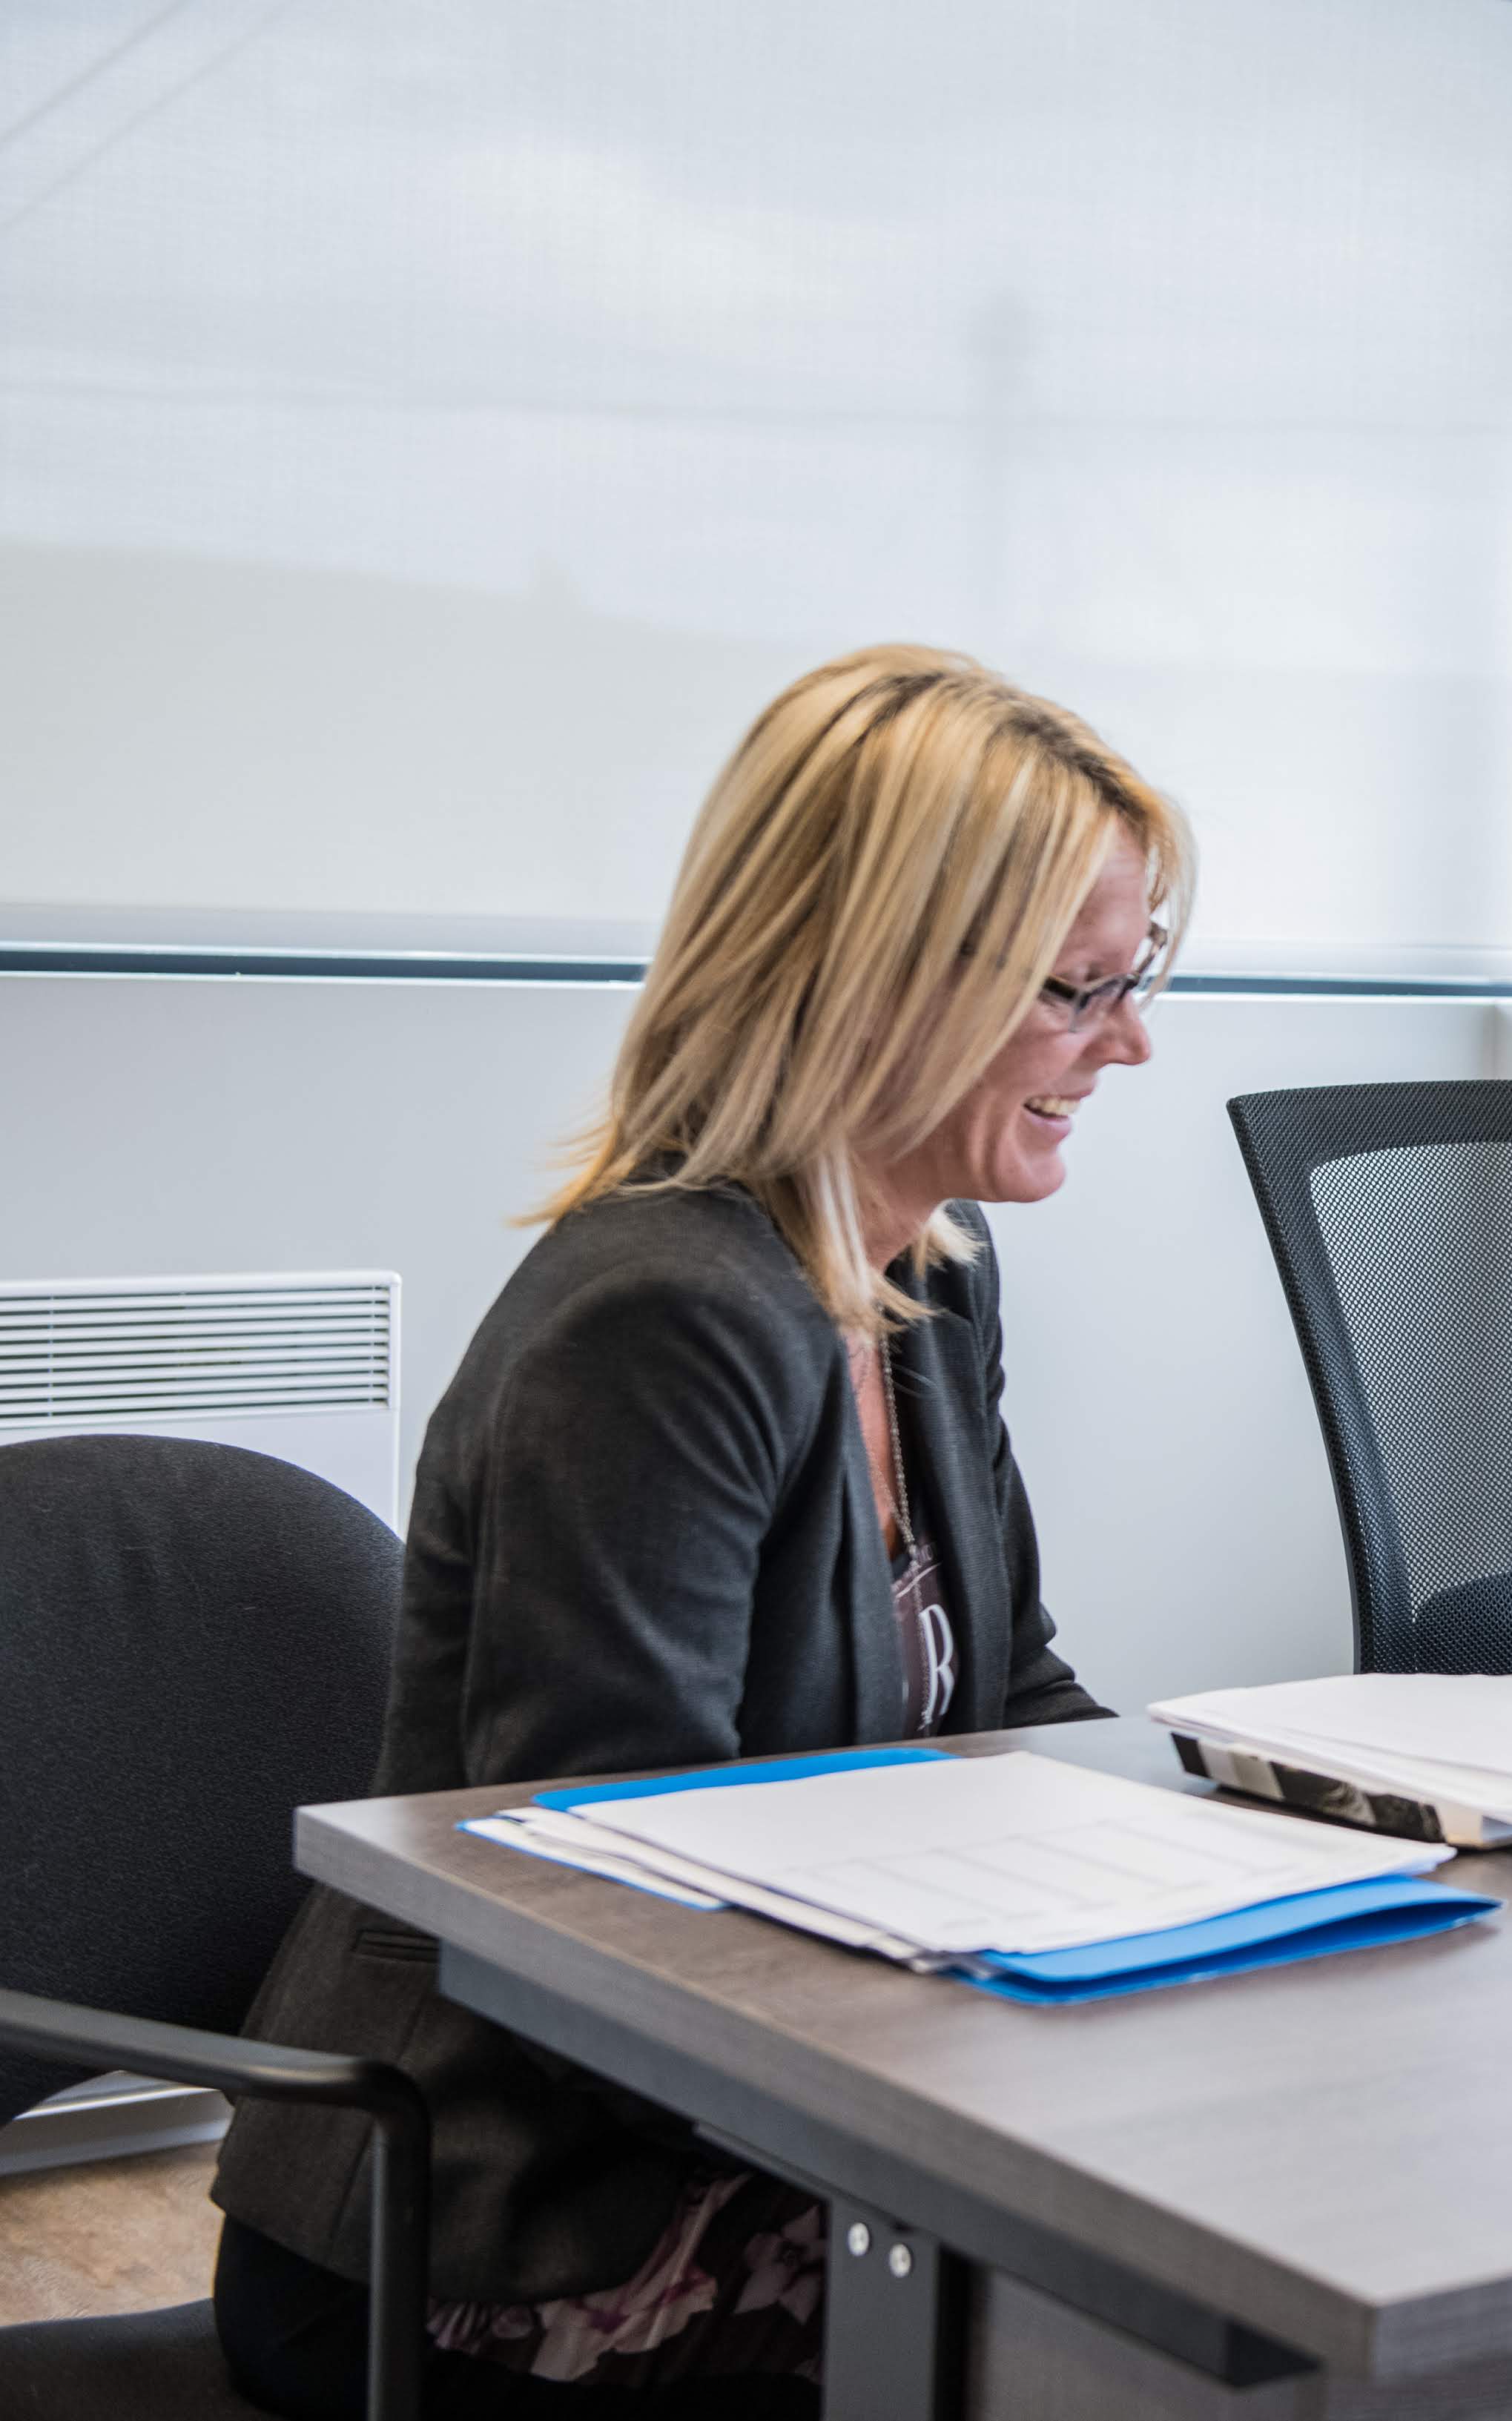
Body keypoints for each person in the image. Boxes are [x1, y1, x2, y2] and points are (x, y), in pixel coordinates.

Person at [208, 646, 1193, 2418]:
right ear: (877, 982)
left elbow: (1011, 1696)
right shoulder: (662, 1315)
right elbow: (603, 1892)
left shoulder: (924, 1278)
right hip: (508, 2229)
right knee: (1117, 2350)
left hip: (739, 2123)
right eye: (1079, 991)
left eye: (1140, 977)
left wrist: (1228, 1877)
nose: (1127, 1041)